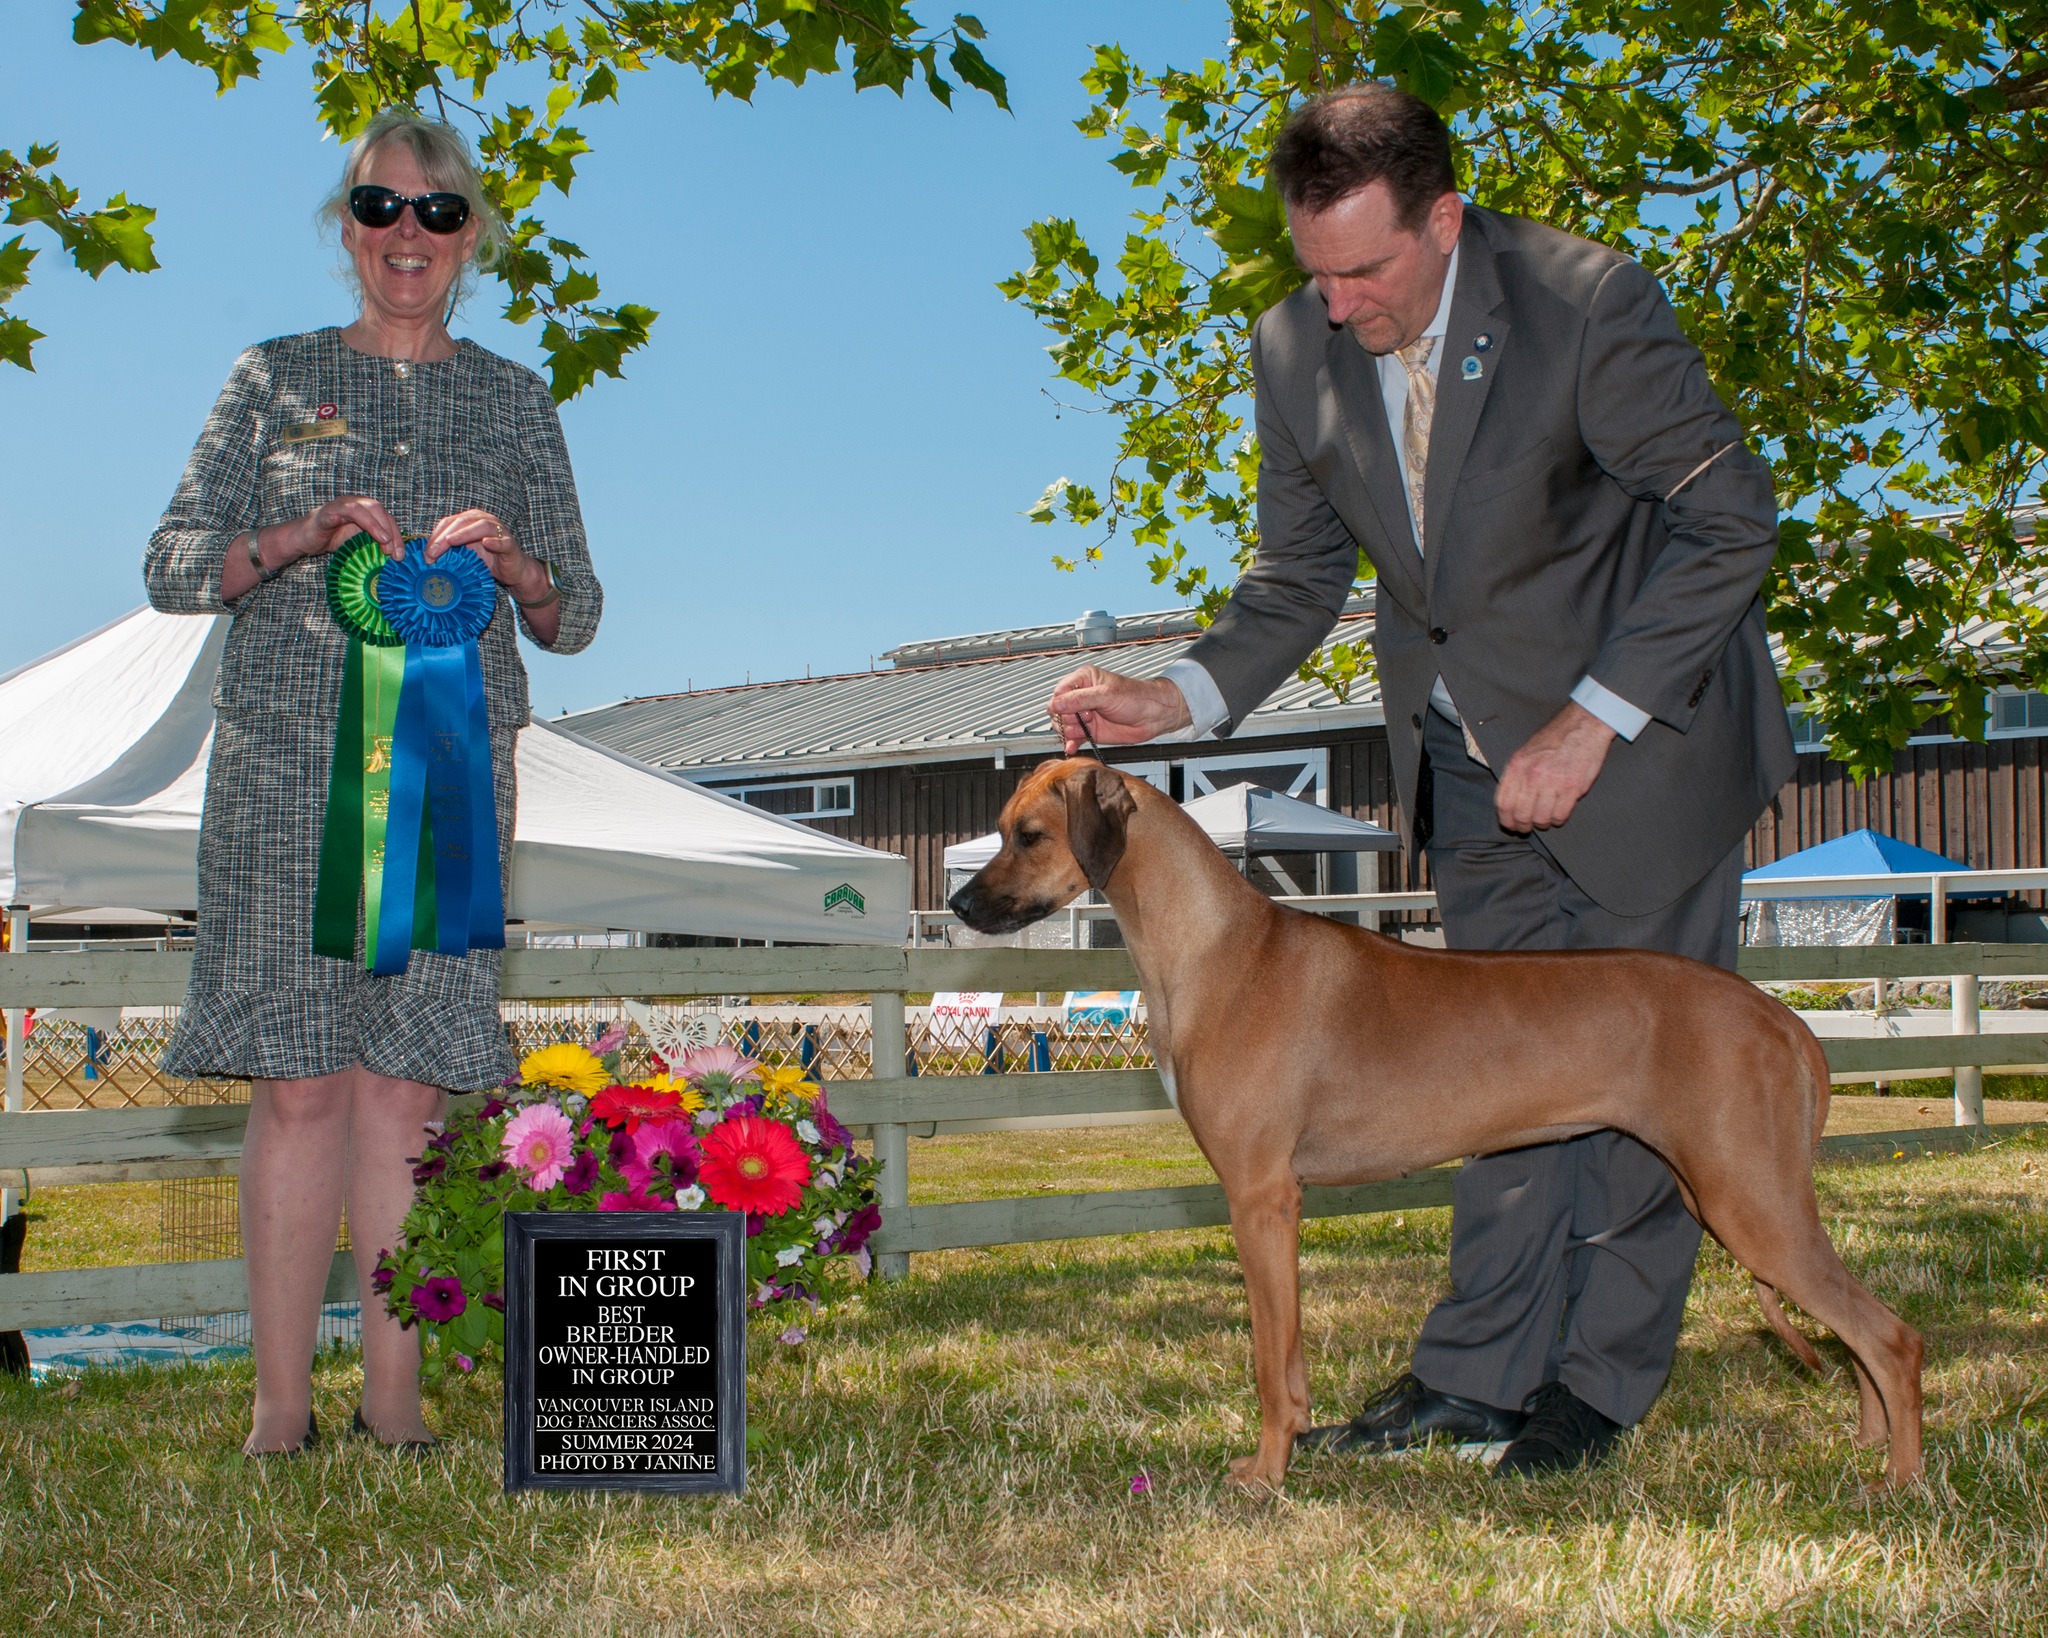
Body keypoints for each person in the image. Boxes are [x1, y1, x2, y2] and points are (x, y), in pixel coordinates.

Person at [1048, 84, 1796, 1476]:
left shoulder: (1586, 303)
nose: (1335, 307)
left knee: (1646, 1084)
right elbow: (1292, 582)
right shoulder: (1293, 349)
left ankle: (1597, 1391)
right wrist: (1176, 695)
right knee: (1490, 1082)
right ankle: (1478, 1376)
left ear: (1445, 220)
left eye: (1365, 271)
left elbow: (1728, 520)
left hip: (1646, 747)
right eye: (1312, 273)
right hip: (1465, 761)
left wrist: (1592, 718)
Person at [144, 110, 602, 1455]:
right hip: (284, 773)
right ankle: (277, 1415)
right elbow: (173, 564)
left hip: (454, 773)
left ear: (474, 236)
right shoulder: (269, 378)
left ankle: (393, 1412)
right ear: (346, 228)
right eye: (382, 208)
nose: (410, 235)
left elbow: (576, 612)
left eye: (440, 212)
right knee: (299, 1087)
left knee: (406, 1090)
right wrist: (297, 534)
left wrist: (516, 570)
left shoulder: (520, 401)